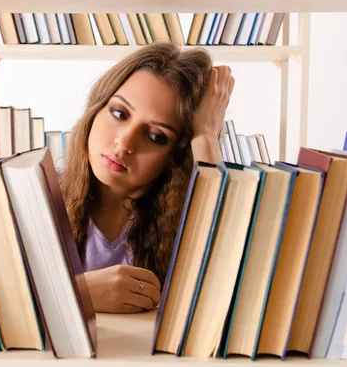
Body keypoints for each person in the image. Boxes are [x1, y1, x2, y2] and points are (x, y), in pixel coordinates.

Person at [59, 43, 234, 314]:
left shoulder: (189, 215)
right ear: (96, 109)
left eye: (156, 137)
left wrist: (206, 136)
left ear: (177, 155)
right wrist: (79, 293)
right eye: (119, 113)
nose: (125, 142)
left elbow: (228, 291)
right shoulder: (38, 196)